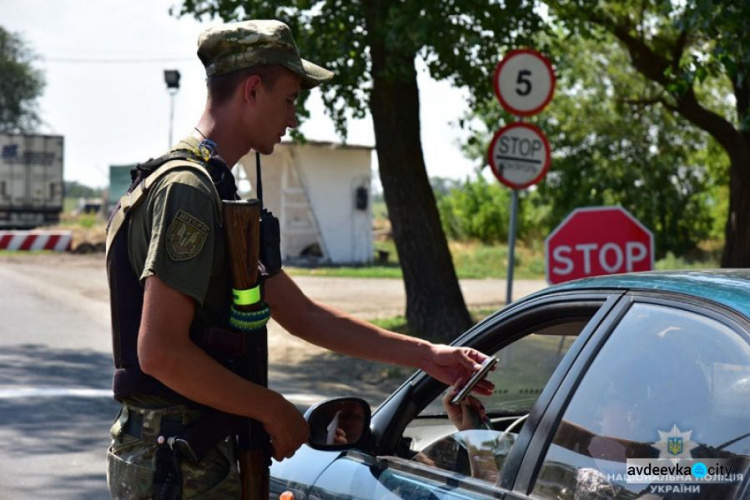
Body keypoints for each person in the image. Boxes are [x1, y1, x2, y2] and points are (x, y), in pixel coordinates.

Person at [105, 19, 493, 498]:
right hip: (179, 466)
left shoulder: (211, 188)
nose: (293, 118)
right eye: (289, 100)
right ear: (252, 90)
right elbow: (160, 351)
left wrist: (427, 356)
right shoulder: (188, 190)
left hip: (197, 457)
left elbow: (303, 314)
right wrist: (271, 408)